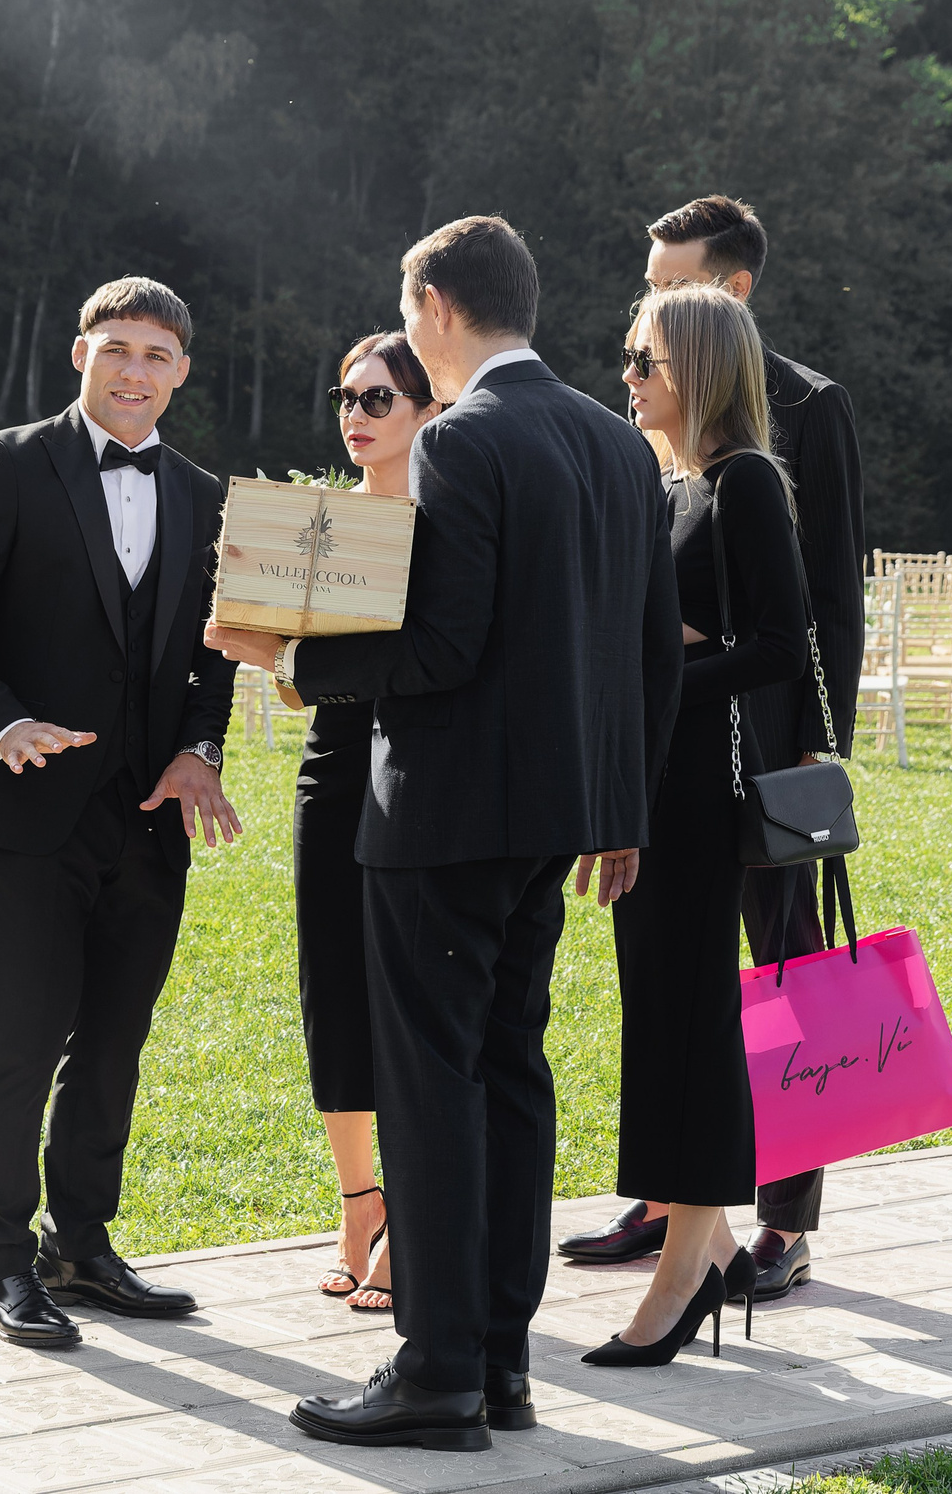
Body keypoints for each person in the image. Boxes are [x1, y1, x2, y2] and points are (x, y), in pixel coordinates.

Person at [207, 216, 683, 1451]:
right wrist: (618, 807)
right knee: (512, 1077)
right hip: (555, 822)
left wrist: (293, 660)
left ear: (430, 305)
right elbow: (647, 658)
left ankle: (432, 1370)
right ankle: (497, 1363)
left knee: (431, 1087)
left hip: (445, 815)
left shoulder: (464, 438)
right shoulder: (613, 442)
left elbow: (440, 647)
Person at [0, 276, 244, 1350]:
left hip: (149, 815)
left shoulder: (201, 491)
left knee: (113, 1041)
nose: (134, 370)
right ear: (78, 354)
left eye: (155, 352)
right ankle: (1, 1264)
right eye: (115, 349)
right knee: (20, 1041)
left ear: (182, 369)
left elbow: (211, 651)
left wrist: (200, 748)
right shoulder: (4, 463)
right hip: (29, 810)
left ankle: (81, 1244)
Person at [558, 196, 866, 1304]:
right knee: (680, 987)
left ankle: (783, 1217)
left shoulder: (801, 420)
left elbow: (822, 600)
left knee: (784, 982)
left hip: (764, 752)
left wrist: (811, 746)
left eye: (661, 287)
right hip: (680, 752)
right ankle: (677, 1202)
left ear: (720, 295)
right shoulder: (656, 440)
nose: (640, 313)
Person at [582, 282, 806, 1367]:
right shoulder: (671, 487)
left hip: (702, 794)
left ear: (699, 369)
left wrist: (666, 660)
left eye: (643, 361)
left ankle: (680, 1279)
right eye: (629, 357)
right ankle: (704, 1245)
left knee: (692, 1023)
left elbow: (777, 647)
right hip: (649, 789)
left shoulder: (748, 482)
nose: (626, 376)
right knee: (660, 1019)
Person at [296, 332, 442, 1313]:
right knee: (332, 994)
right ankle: (359, 1203)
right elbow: (287, 671)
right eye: (346, 396)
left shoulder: (450, 519)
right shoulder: (317, 522)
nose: (356, 413)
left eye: (378, 397)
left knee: (408, 1003)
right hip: (331, 770)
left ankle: (415, 1222)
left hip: (428, 777)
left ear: (429, 409)